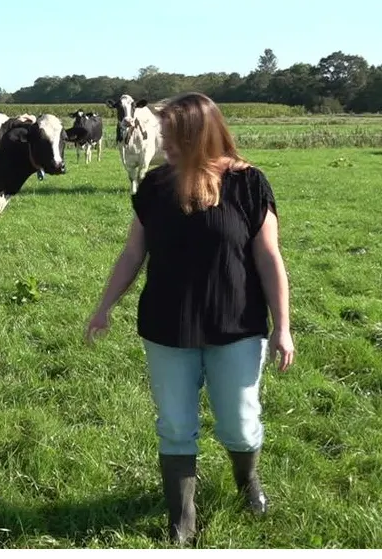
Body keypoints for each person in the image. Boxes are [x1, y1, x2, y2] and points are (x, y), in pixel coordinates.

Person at [84, 91, 294, 546]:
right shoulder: (154, 186)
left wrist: (284, 328)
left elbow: (269, 258)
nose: (160, 139)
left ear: (198, 134)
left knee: (239, 421)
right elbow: (132, 253)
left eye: (170, 133)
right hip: (167, 325)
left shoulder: (249, 184)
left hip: (236, 326)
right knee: (176, 425)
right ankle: (182, 518)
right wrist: (104, 308)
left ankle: (248, 481)